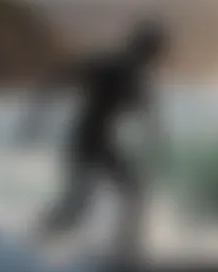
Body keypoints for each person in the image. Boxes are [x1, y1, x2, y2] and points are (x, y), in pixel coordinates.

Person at [18, 19, 169, 255]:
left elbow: (147, 114)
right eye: (155, 51)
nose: (156, 58)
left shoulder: (135, 76)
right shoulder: (108, 67)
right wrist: (34, 118)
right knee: (81, 203)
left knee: (129, 196)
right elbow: (57, 77)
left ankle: (125, 255)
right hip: (86, 141)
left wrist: (156, 138)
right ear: (143, 48)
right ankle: (31, 244)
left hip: (101, 143)